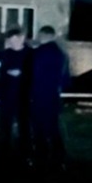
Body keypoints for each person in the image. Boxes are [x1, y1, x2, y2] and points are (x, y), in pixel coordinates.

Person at [26, 25, 70, 170]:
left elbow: (34, 75)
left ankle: (41, 156)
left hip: (39, 96)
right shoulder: (61, 54)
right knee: (52, 127)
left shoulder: (38, 53)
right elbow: (65, 78)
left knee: (38, 128)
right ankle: (59, 156)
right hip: (53, 96)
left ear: (43, 35)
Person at [0, 27, 30, 159]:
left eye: (15, 40)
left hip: (23, 96)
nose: (13, 43)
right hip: (6, 95)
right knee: (5, 125)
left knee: (24, 125)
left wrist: (22, 74)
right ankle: (4, 152)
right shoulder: (4, 54)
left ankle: (24, 152)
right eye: (11, 41)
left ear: (21, 39)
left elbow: (34, 74)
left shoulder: (30, 54)